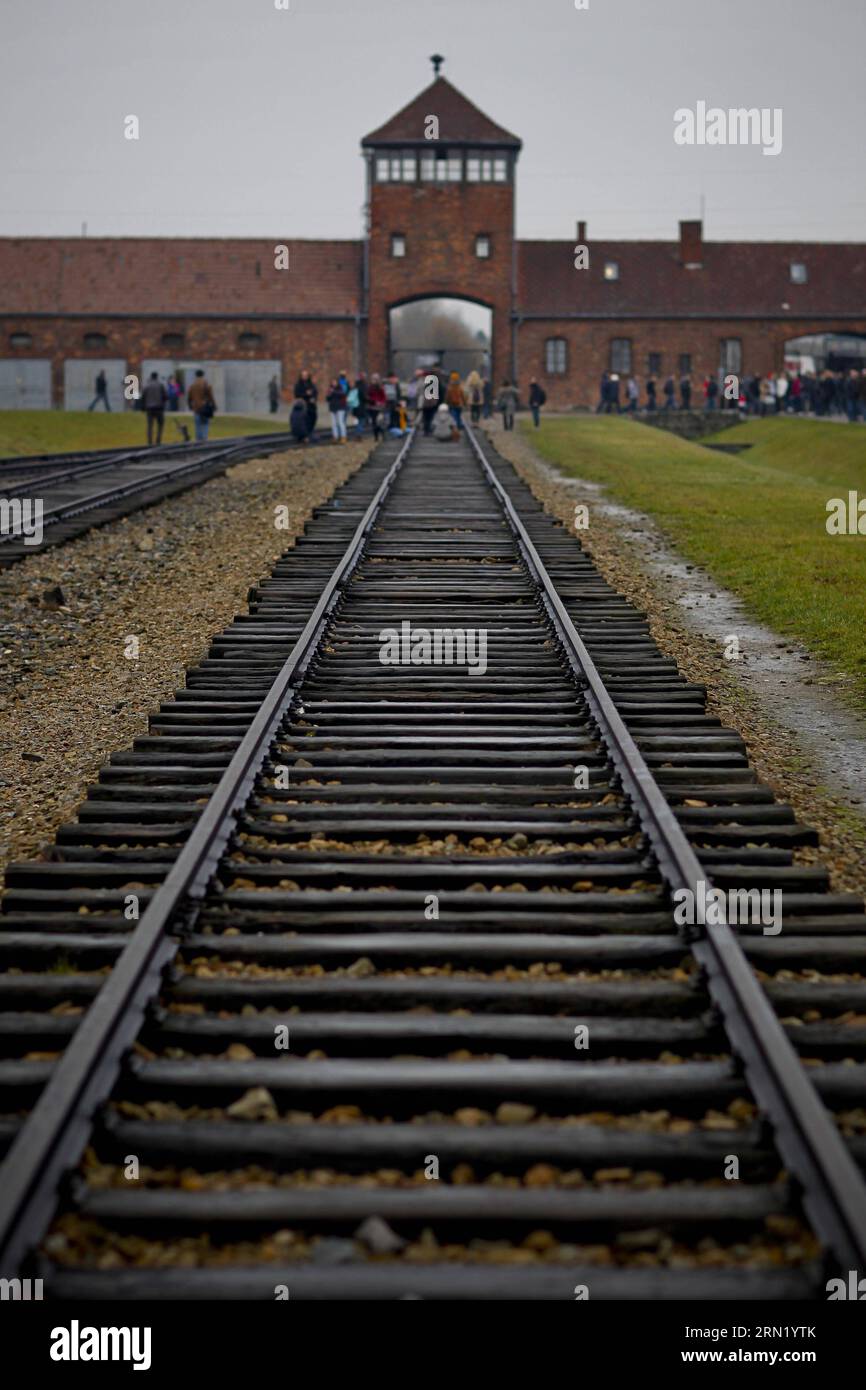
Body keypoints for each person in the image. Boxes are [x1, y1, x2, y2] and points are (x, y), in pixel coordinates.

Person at [187, 369, 216, 442]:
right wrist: (214, 405)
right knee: (205, 425)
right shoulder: (206, 384)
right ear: (203, 375)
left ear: (196, 375)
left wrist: (190, 406)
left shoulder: (192, 385)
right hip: (205, 408)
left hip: (196, 408)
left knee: (198, 426)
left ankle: (198, 442)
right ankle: (204, 440)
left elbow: (189, 398)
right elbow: (211, 397)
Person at [141, 371, 167, 446]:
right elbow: (165, 396)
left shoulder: (147, 386)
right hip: (159, 408)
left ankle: (149, 442)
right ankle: (158, 440)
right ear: (157, 377)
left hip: (149, 408)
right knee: (160, 425)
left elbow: (143, 397)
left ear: (151, 377)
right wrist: (163, 403)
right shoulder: (160, 385)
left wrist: (143, 407)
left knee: (150, 425)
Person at [294, 369, 318, 435]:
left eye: (306, 375)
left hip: (311, 406)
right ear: (301, 376)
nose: (305, 376)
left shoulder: (311, 384)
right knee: (304, 421)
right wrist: (306, 394)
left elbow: (315, 392)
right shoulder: (298, 385)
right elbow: (297, 394)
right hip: (302, 406)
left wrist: (314, 398)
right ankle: (304, 435)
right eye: (303, 375)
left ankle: (310, 433)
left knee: (313, 419)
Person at [327, 378, 348, 443]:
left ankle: (343, 436)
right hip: (333, 408)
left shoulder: (340, 389)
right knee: (334, 424)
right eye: (332, 382)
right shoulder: (330, 390)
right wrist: (329, 394)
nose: (333, 383)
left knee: (340, 422)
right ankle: (335, 437)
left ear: (337, 383)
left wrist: (333, 391)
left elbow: (342, 394)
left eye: (335, 382)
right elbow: (328, 399)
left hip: (340, 408)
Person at [367, 374, 387, 440]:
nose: (373, 381)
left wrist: (381, 403)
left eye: (375, 379)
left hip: (379, 407)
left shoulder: (380, 388)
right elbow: (367, 397)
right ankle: (376, 437)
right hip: (372, 407)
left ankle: (383, 434)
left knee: (379, 422)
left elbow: (384, 397)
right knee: (374, 423)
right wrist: (371, 401)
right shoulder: (369, 387)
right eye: (372, 379)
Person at [445, 371, 466, 435]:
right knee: (458, 416)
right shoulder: (459, 386)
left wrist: (446, 403)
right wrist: (464, 403)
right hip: (459, 404)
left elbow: (447, 397)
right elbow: (462, 395)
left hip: (452, 404)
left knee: (453, 417)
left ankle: (455, 428)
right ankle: (458, 427)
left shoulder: (450, 387)